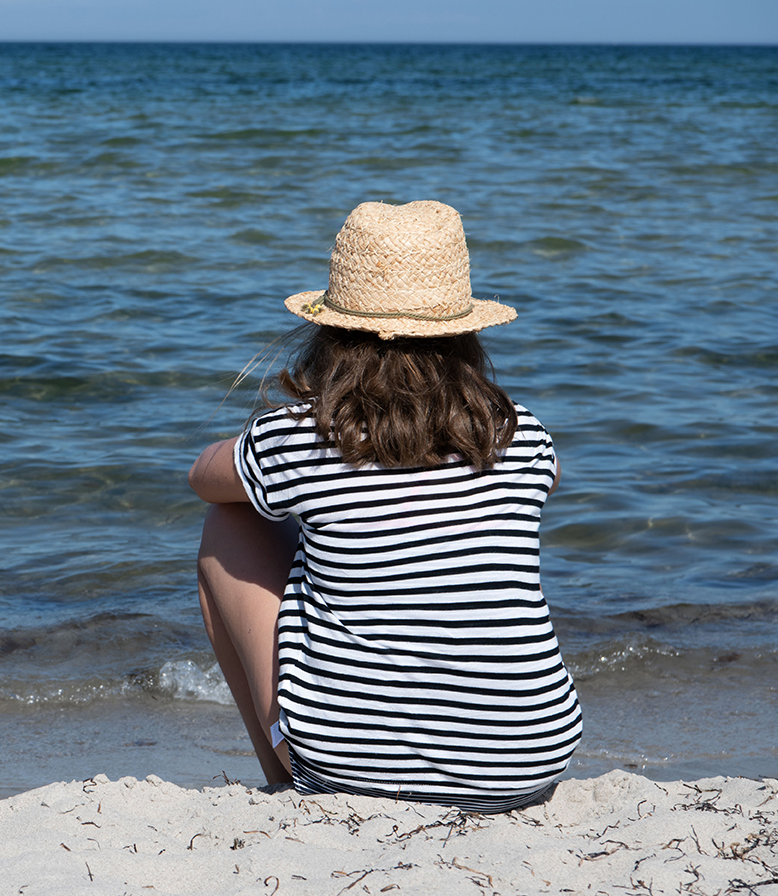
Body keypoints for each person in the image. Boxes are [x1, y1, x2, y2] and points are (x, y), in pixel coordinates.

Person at [189, 200, 582, 813]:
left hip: (355, 773)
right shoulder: (518, 433)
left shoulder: (301, 437)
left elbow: (202, 479)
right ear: (466, 335)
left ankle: (285, 775)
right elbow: (548, 482)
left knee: (231, 521)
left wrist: (287, 455)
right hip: (527, 763)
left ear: (330, 334)